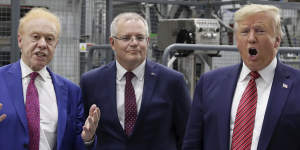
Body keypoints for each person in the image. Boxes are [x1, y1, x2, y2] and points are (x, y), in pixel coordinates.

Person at [182, 4, 300, 150]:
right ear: (237, 41)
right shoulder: (209, 83)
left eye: (260, 31)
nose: (251, 38)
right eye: (244, 32)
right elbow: (192, 143)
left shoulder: (296, 85)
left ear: (277, 40)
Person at [80, 12, 191, 149]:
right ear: (112, 43)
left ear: (148, 42)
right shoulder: (91, 82)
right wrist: (88, 140)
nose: (134, 43)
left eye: (139, 38)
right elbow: (83, 135)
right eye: (126, 38)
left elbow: (187, 135)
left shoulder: (172, 82)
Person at [0, 8, 100, 150]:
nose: (42, 44)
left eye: (49, 39)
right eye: (35, 37)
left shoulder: (71, 92)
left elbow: (77, 143)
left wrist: (88, 139)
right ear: (20, 40)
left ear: (55, 45)